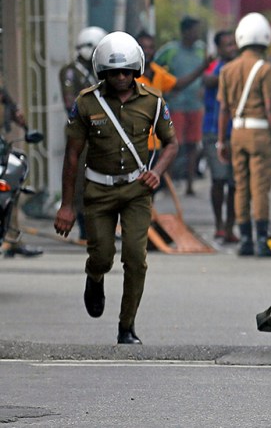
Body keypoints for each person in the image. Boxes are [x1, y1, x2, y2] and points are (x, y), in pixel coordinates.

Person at [54, 31, 178, 344]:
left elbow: (172, 143)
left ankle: (127, 326)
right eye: (113, 72)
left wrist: (157, 171)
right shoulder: (86, 103)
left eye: (126, 71)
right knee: (103, 256)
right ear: (103, 72)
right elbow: (72, 156)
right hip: (98, 191)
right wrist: (67, 206)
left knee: (136, 258)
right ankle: (94, 277)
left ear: (136, 70)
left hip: (136, 191)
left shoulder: (152, 101)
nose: (121, 77)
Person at [217, 12, 271, 257]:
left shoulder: (228, 69)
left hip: (236, 131)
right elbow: (270, 106)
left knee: (240, 186)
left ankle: (244, 239)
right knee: (260, 187)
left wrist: (221, 140)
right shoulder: (265, 69)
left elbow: (223, 108)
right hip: (259, 134)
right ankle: (261, 241)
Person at [58, 26, 107, 242]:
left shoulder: (98, 73)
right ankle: (83, 227)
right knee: (80, 181)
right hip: (81, 132)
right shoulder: (71, 71)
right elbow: (71, 103)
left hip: (100, 133)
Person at [154, 15, 209, 196]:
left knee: (193, 145)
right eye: (194, 30)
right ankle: (169, 183)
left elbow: (208, 71)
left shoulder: (201, 50)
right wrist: (166, 89)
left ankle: (190, 184)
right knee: (173, 144)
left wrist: (202, 87)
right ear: (185, 31)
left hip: (195, 105)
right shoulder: (170, 51)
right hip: (176, 105)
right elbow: (154, 67)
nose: (196, 34)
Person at [201, 30, 238, 243]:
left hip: (236, 132)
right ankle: (218, 224)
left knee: (234, 183)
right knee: (219, 179)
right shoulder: (214, 67)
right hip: (213, 131)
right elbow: (208, 81)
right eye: (227, 45)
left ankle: (230, 226)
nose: (231, 48)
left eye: (234, 44)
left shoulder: (239, 67)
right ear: (219, 48)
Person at [0, 77, 44, 257]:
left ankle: (12, 239)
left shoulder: (3, 96)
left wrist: (16, 115)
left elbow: (12, 110)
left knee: (10, 189)